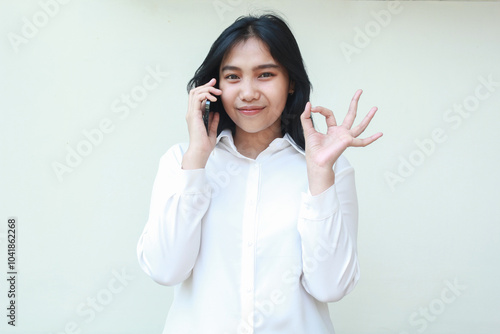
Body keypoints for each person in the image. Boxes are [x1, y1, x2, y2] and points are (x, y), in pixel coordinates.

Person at [137, 13, 382, 334]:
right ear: (215, 86)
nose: (248, 92)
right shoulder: (180, 161)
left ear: (291, 81)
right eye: (233, 77)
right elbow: (165, 269)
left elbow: (331, 287)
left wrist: (321, 175)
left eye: (265, 74)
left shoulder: (331, 168)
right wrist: (196, 160)